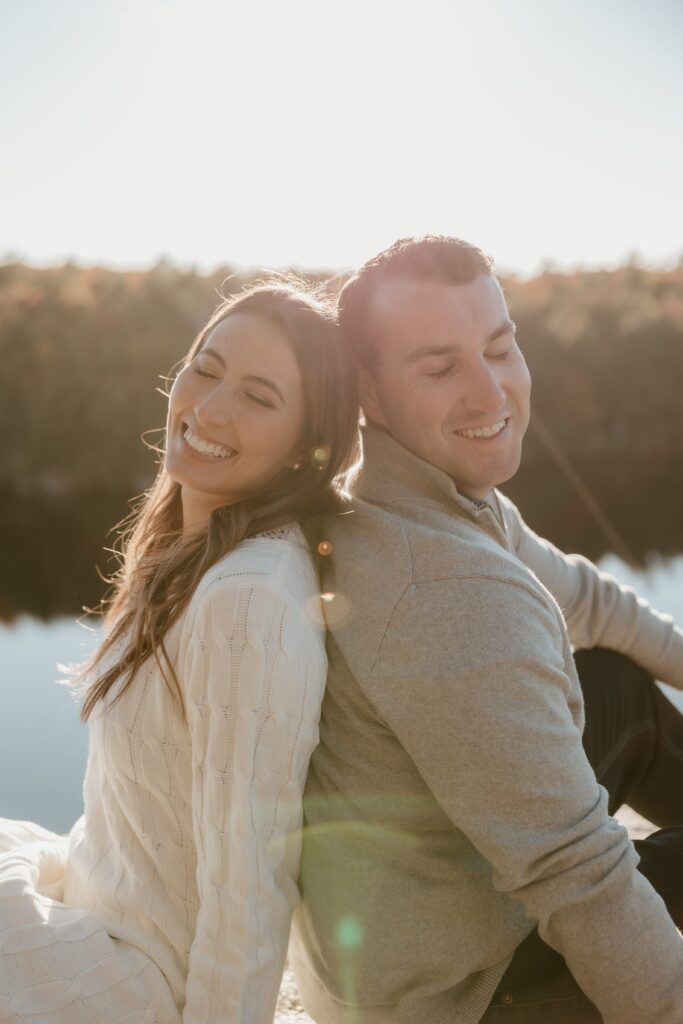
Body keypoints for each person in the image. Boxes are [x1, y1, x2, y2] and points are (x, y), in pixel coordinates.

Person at [290, 236, 683, 1024]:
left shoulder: (432, 494)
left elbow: (594, 603)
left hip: (420, 896)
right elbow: (577, 873)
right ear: (367, 391)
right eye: (439, 369)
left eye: (499, 348)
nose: (489, 394)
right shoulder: (443, 594)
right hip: (461, 991)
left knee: (613, 682)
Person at [0, 279, 360, 1023]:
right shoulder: (187, 549)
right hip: (93, 899)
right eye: (206, 365)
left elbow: (249, 885)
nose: (208, 407)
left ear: (307, 447)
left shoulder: (249, 596)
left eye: (260, 397)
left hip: (133, 973)